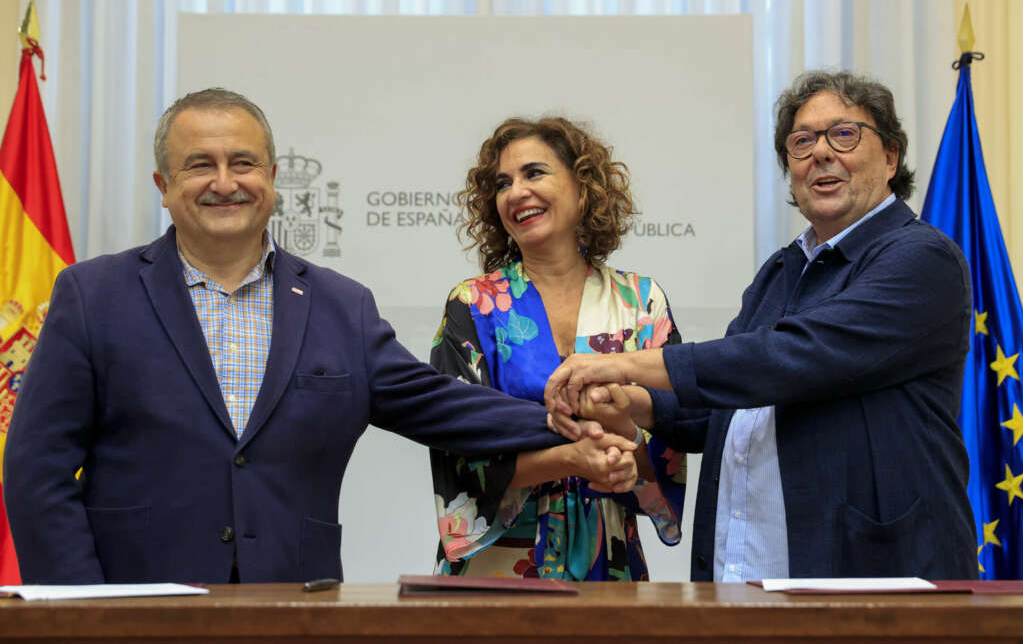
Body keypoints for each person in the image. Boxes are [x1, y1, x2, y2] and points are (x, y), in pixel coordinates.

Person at [1, 89, 639, 585]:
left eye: (243, 162)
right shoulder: (93, 296)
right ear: (163, 188)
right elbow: (36, 471)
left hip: (295, 605)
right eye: (200, 165)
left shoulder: (340, 306)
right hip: (136, 605)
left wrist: (567, 422)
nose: (225, 181)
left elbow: (443, 405)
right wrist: (79, 606)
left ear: (273, 178)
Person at [546, 71, 978, 581]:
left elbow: (792, 357)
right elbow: (725, 405)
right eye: (801, 141)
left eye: (843, 134)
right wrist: (634, 400)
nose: (820, 152)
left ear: (890, 157)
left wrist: (620, 363)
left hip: (872, 579)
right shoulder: (782, 268)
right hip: (744, 576)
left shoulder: (923, 258)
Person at [429, 117, 685, 581]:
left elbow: (675, 442)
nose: (516, 192)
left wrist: (622, 445)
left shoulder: (642, 303)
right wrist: (569, 458)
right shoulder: (473, 304)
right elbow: (456, 448)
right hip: (498, 568)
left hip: (608, 564)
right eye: (503, 183)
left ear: (583, 187)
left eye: (534, 173)